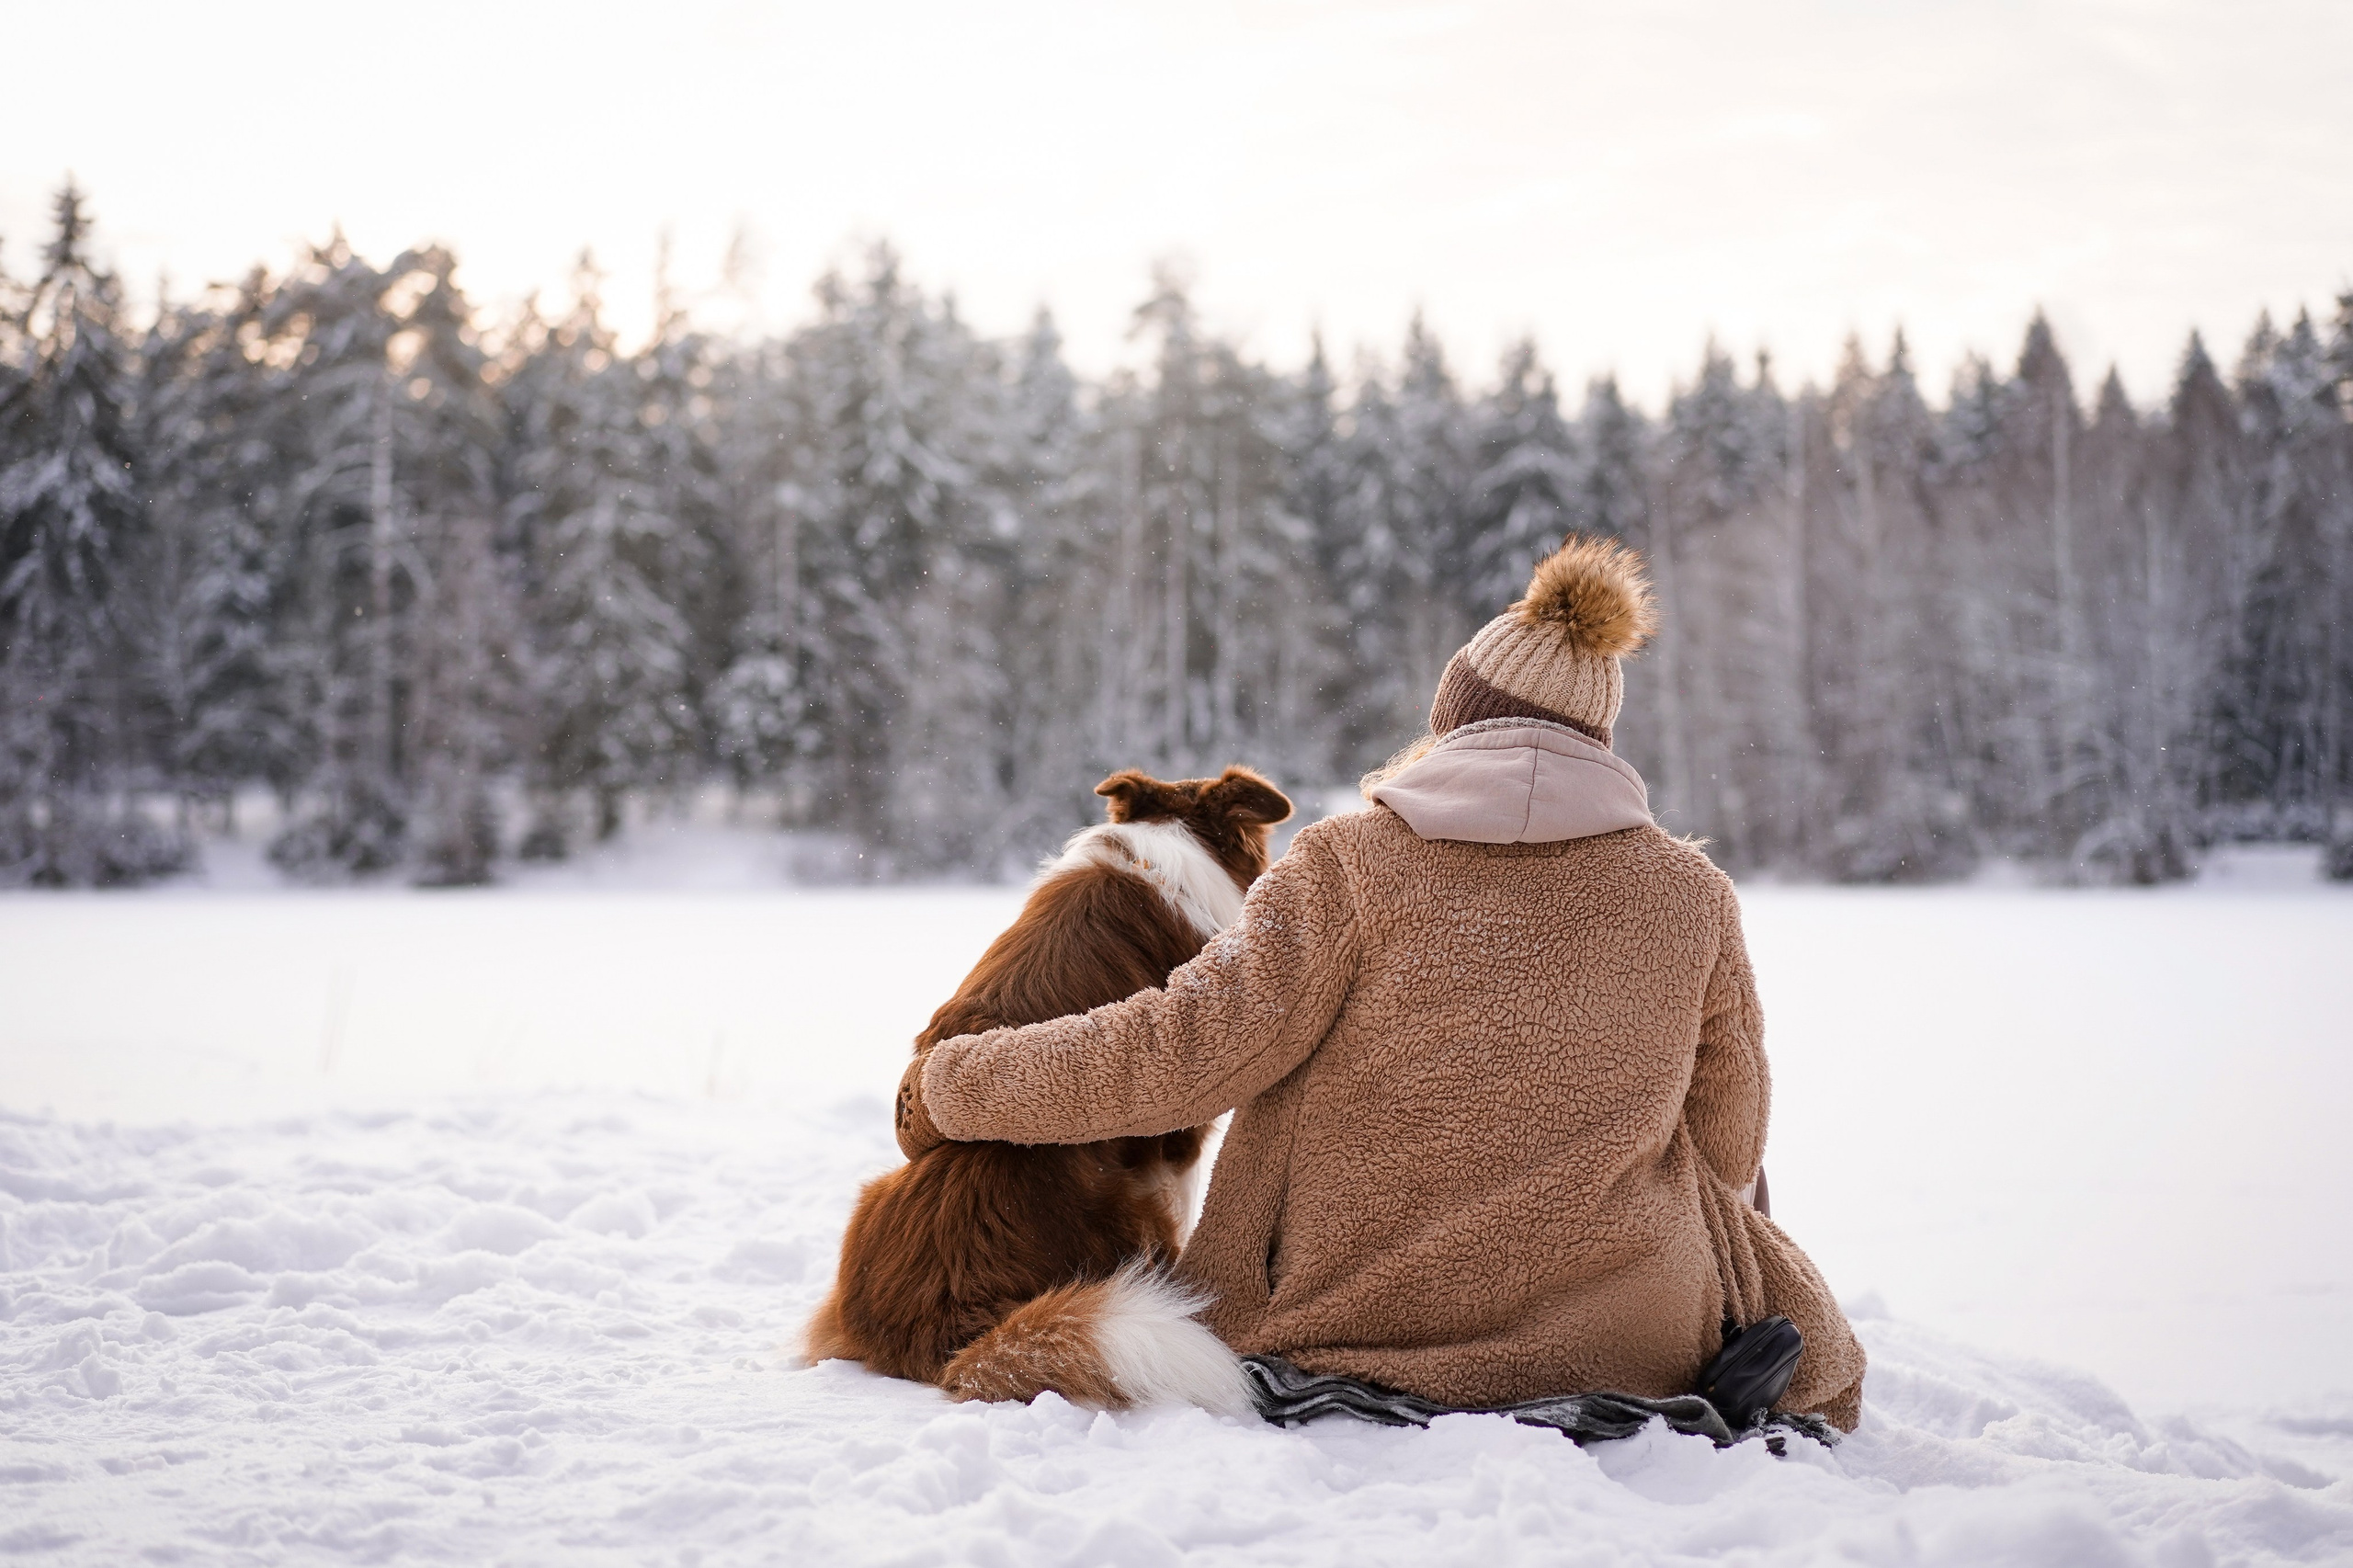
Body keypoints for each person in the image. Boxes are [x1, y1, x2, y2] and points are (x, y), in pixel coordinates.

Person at [893, 535, 1866, 1430]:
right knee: (1746, 1246)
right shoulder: (1690, 894)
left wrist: (953, 1082)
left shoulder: (1346, 865)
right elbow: (1728, 1144)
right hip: (1628, 1339)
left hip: (1344, 1318)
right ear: (1599, 741)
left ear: (1454, 721)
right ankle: (1685, 1354)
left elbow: (1177, 1055)